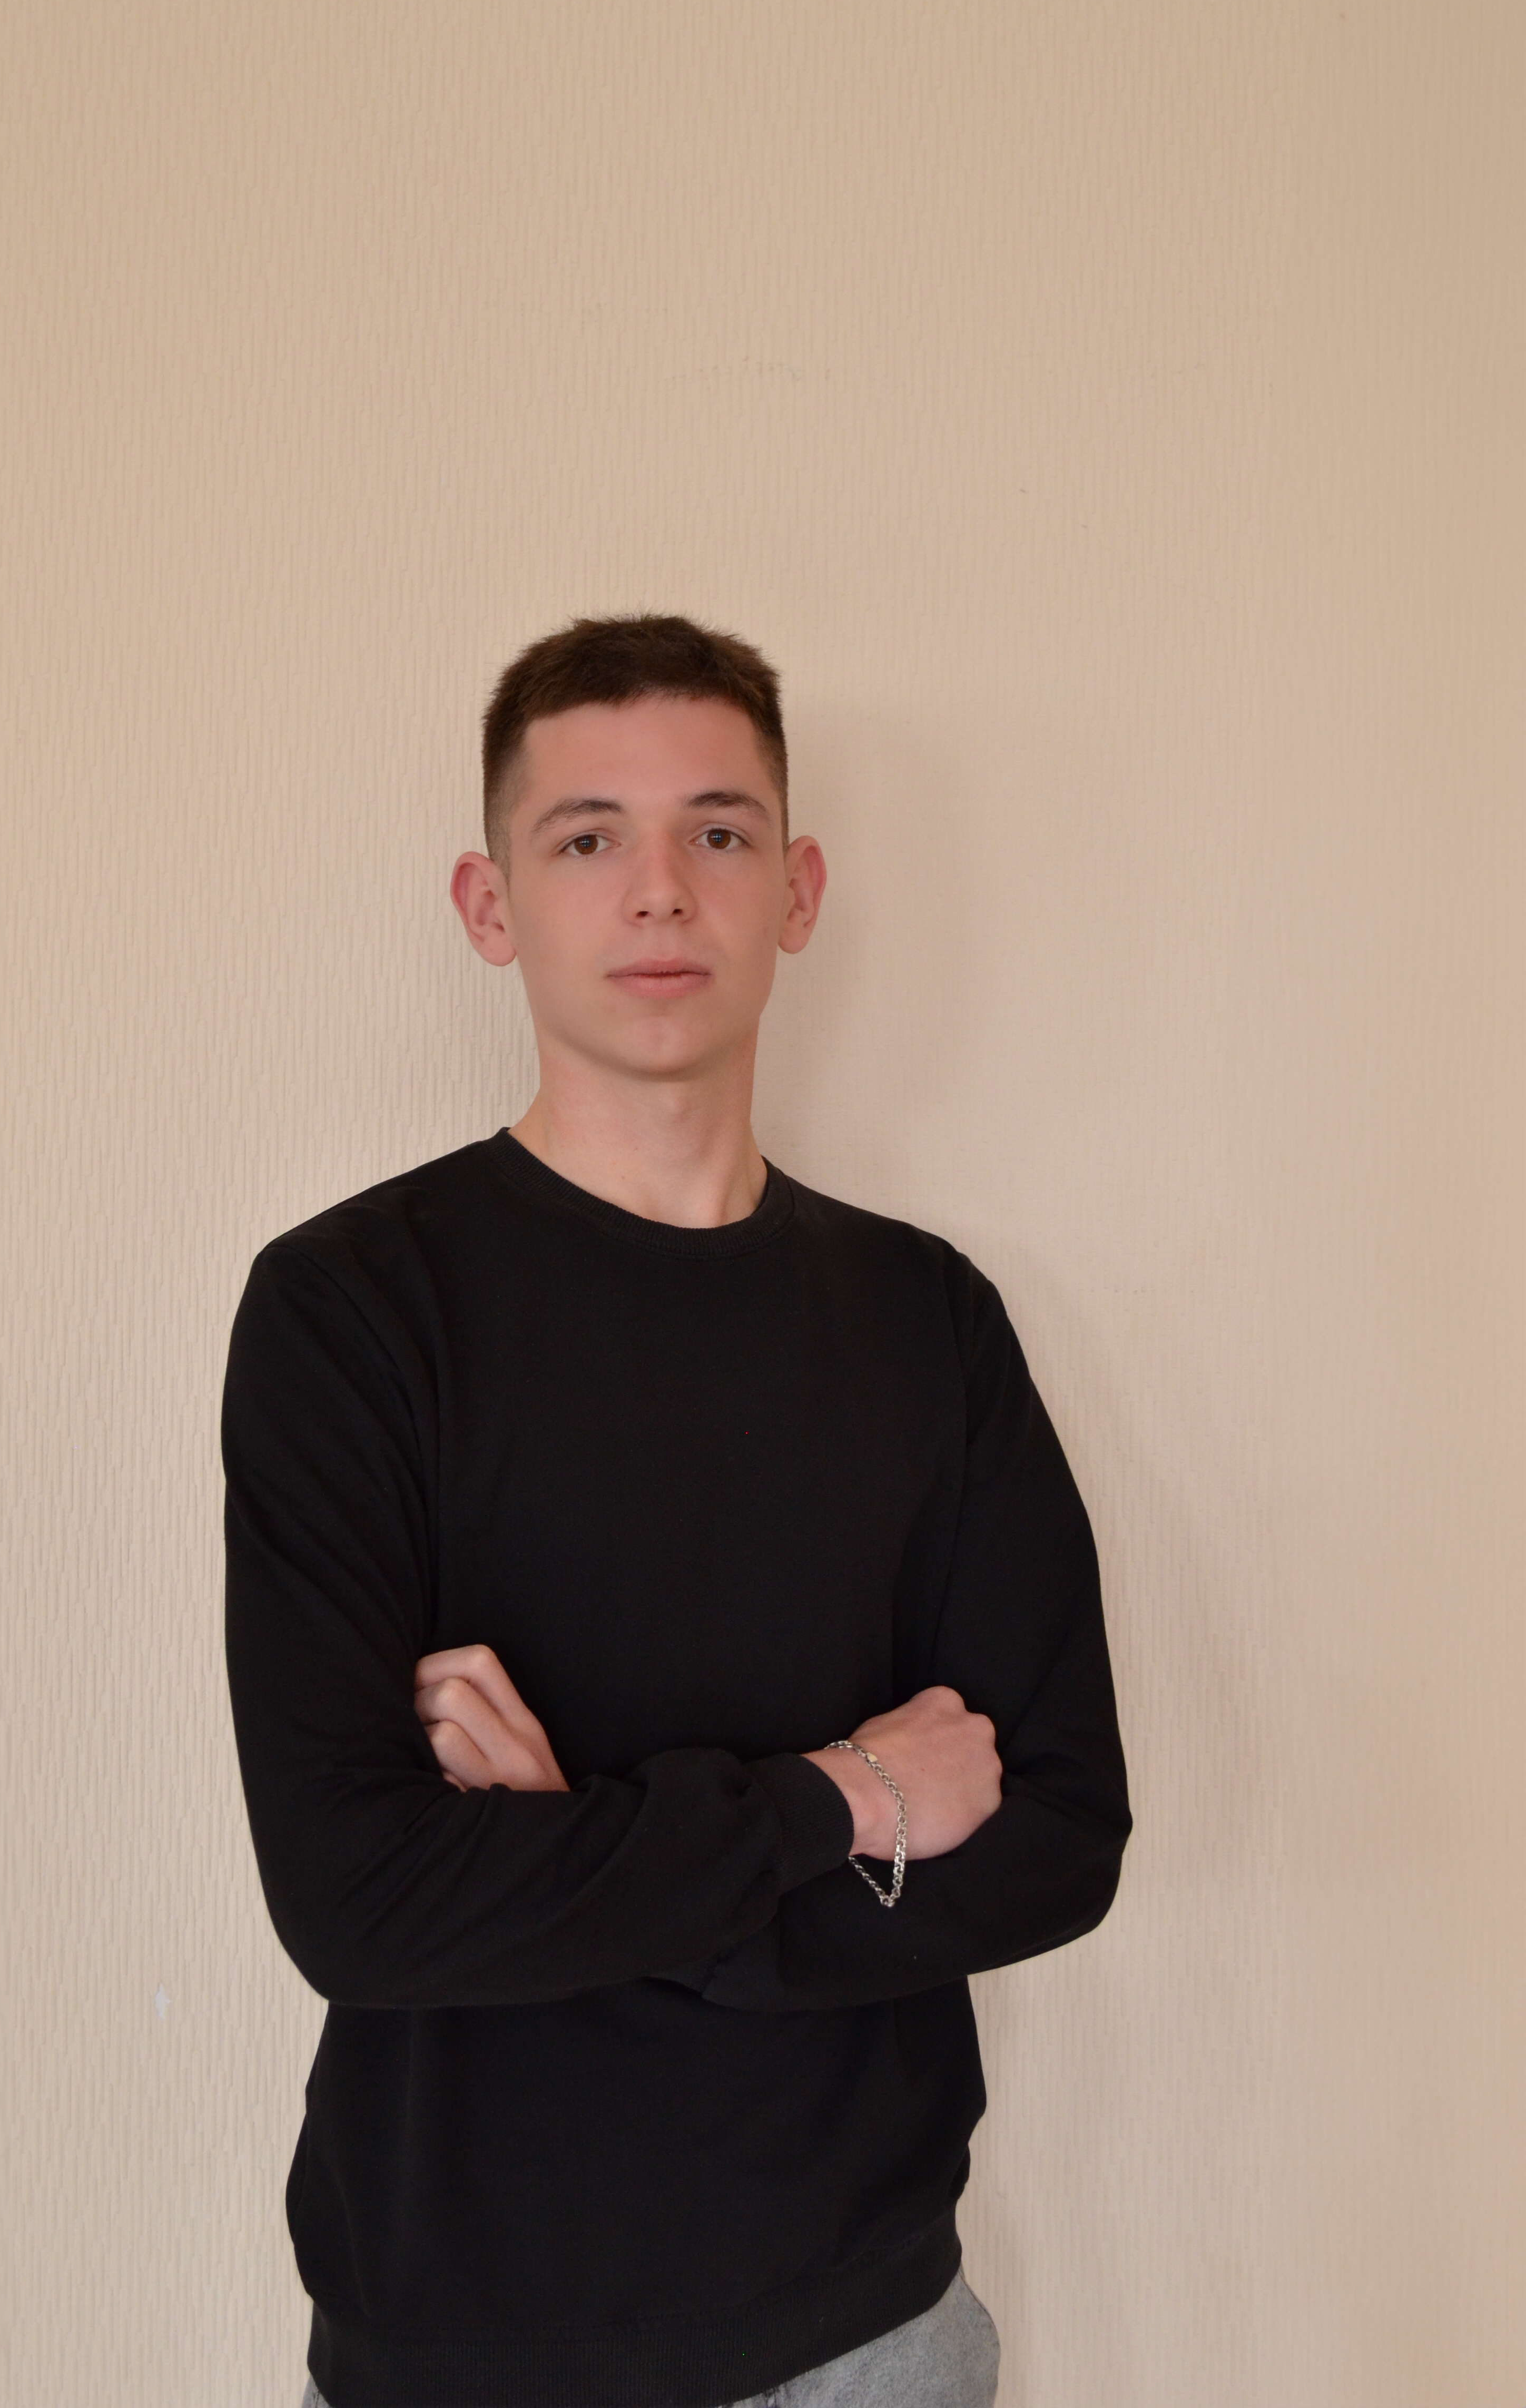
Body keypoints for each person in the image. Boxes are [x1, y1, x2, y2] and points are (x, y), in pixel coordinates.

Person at [221, 613, 1130, 2408]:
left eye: (717, 831)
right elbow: (360, 1900)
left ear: (797, 891)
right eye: (587, 839)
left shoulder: (926, 1318)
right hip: (462, 2346)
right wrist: (839, 1800)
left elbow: (1057, 1833)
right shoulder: (350, 1311)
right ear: (491, 907)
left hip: (870, 2335)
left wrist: (571, 1850)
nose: (659, 889)